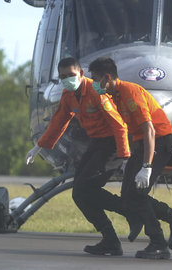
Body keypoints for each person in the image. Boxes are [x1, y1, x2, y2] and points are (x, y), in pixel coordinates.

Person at [25, 57, 140, 256]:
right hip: (96, 144)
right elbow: (58, 121)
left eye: (71, 75)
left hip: (112, 144)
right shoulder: (68, 95)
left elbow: (118, 125)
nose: (67, 79)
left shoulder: (96, 92)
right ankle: (112, 239)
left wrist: (124, 156)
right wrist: (39, 146)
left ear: (81, 74)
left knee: (84, 189)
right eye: (62, 77)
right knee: (79, 194)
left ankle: (130, 214)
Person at [88, 57, 172, 259]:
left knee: (137, 195)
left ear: (107, 78)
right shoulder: (115, 96)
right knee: (128, 197)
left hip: (159, 142)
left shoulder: (130, 92)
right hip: (142, 144)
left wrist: (146, 166)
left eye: (95, 79)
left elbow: (149, 130)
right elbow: (131, 129)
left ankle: (158, 243)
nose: (93, 83)